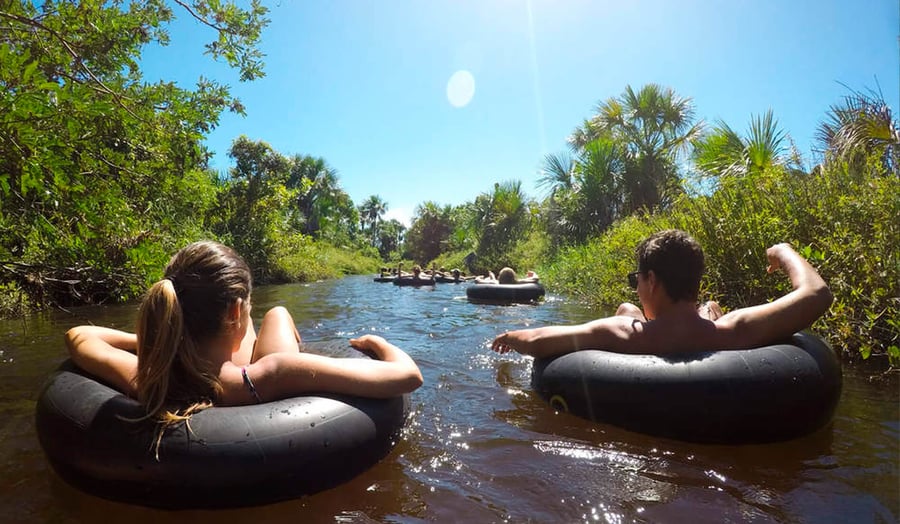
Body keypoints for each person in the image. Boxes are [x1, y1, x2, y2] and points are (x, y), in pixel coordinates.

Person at [65, 241, 424, 428]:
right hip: (251, 380)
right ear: (237, 311)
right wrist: (379, 344)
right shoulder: (275, 372)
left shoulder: (146, 379)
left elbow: (79, 336)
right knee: (279, 313)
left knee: (273, 316)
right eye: (247, 308)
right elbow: (407, 376)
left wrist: (159, 342)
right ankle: (270, 322)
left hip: (193, 355)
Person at [492, 230, 833, 358]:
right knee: (709, 308)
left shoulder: (623, 332)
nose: (637, 287)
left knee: (627, 309)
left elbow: (538, 338)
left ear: (651, 280)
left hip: (647, 342)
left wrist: (509, 336)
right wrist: (784, 250)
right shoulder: (734, 328)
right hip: (704, 329)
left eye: (636, 279)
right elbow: (817, 293)